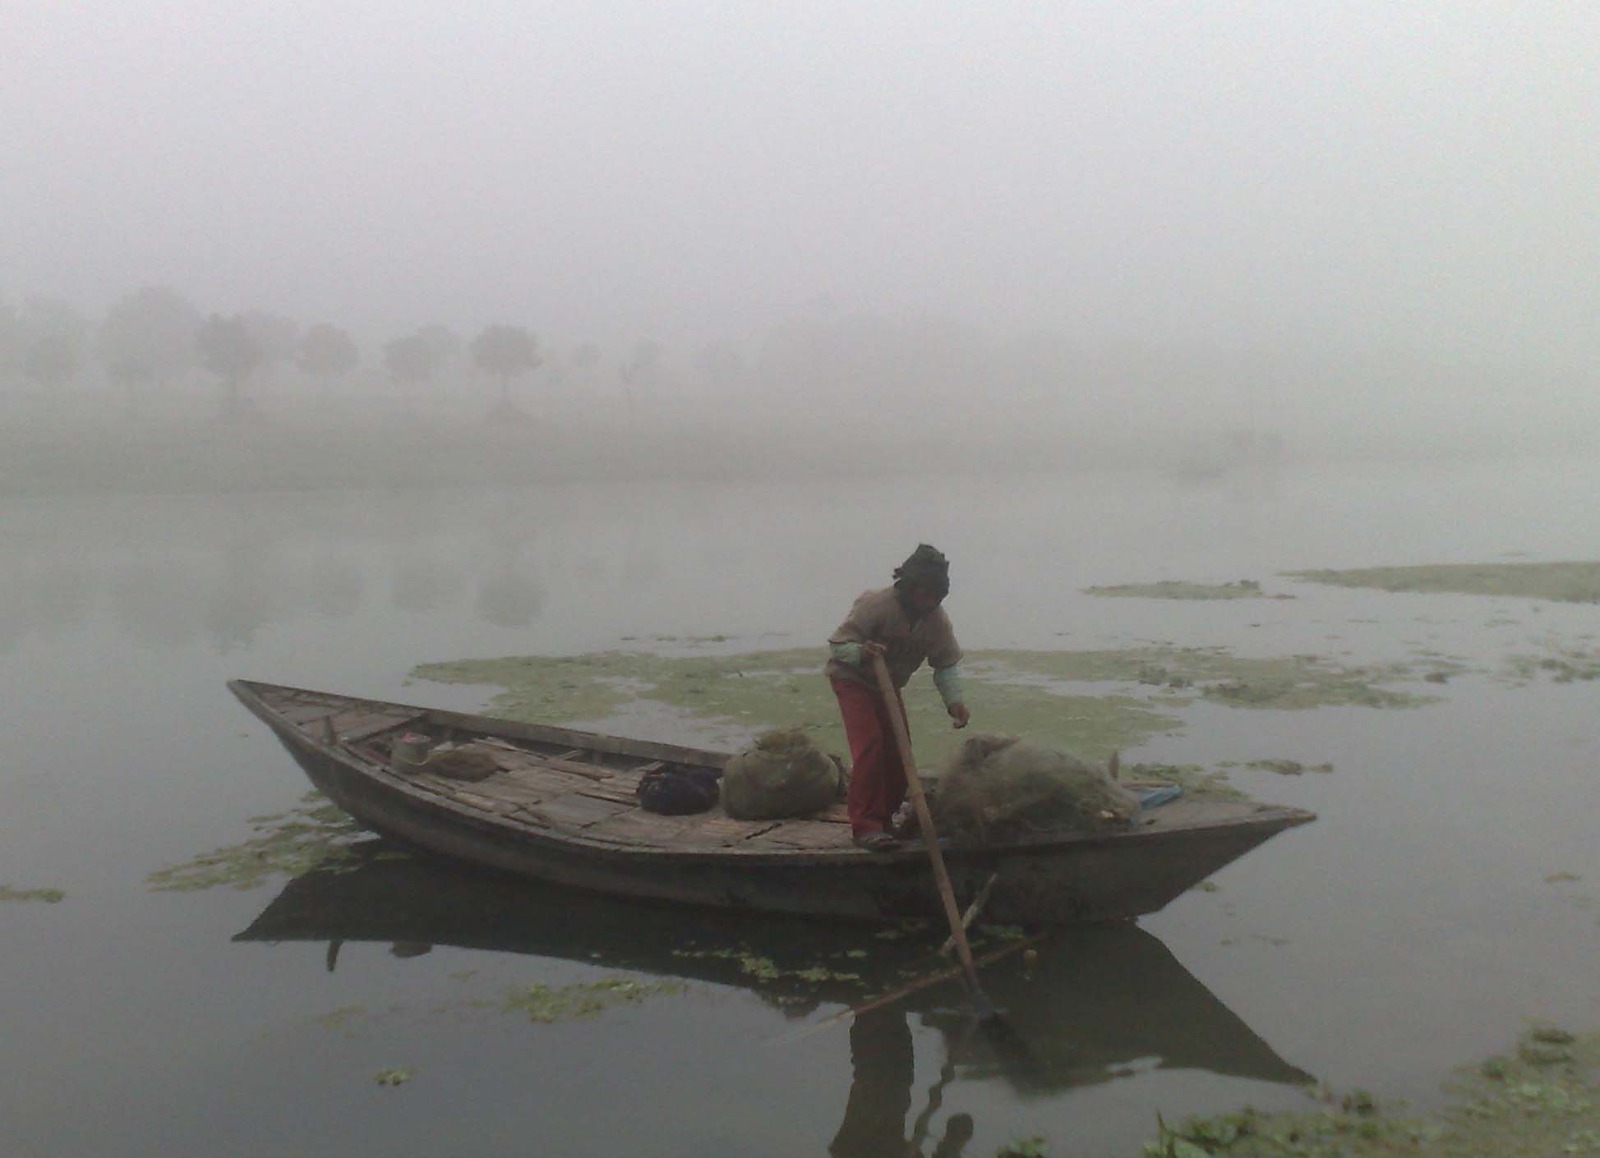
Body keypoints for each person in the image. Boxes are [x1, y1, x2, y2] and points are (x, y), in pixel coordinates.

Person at [826, 544, 969, 851]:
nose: (929, 602)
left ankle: (884, 819)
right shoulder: (876, 605)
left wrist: (954, 702)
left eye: (936, 596)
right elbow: (839, 645)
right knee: (870, 746)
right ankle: (865, 825)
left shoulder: (936, 621)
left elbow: (944, 665)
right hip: (852, 679)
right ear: (907, 587)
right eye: (924, 594)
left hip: (888, 686)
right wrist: (862, 653)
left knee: (898, 752)